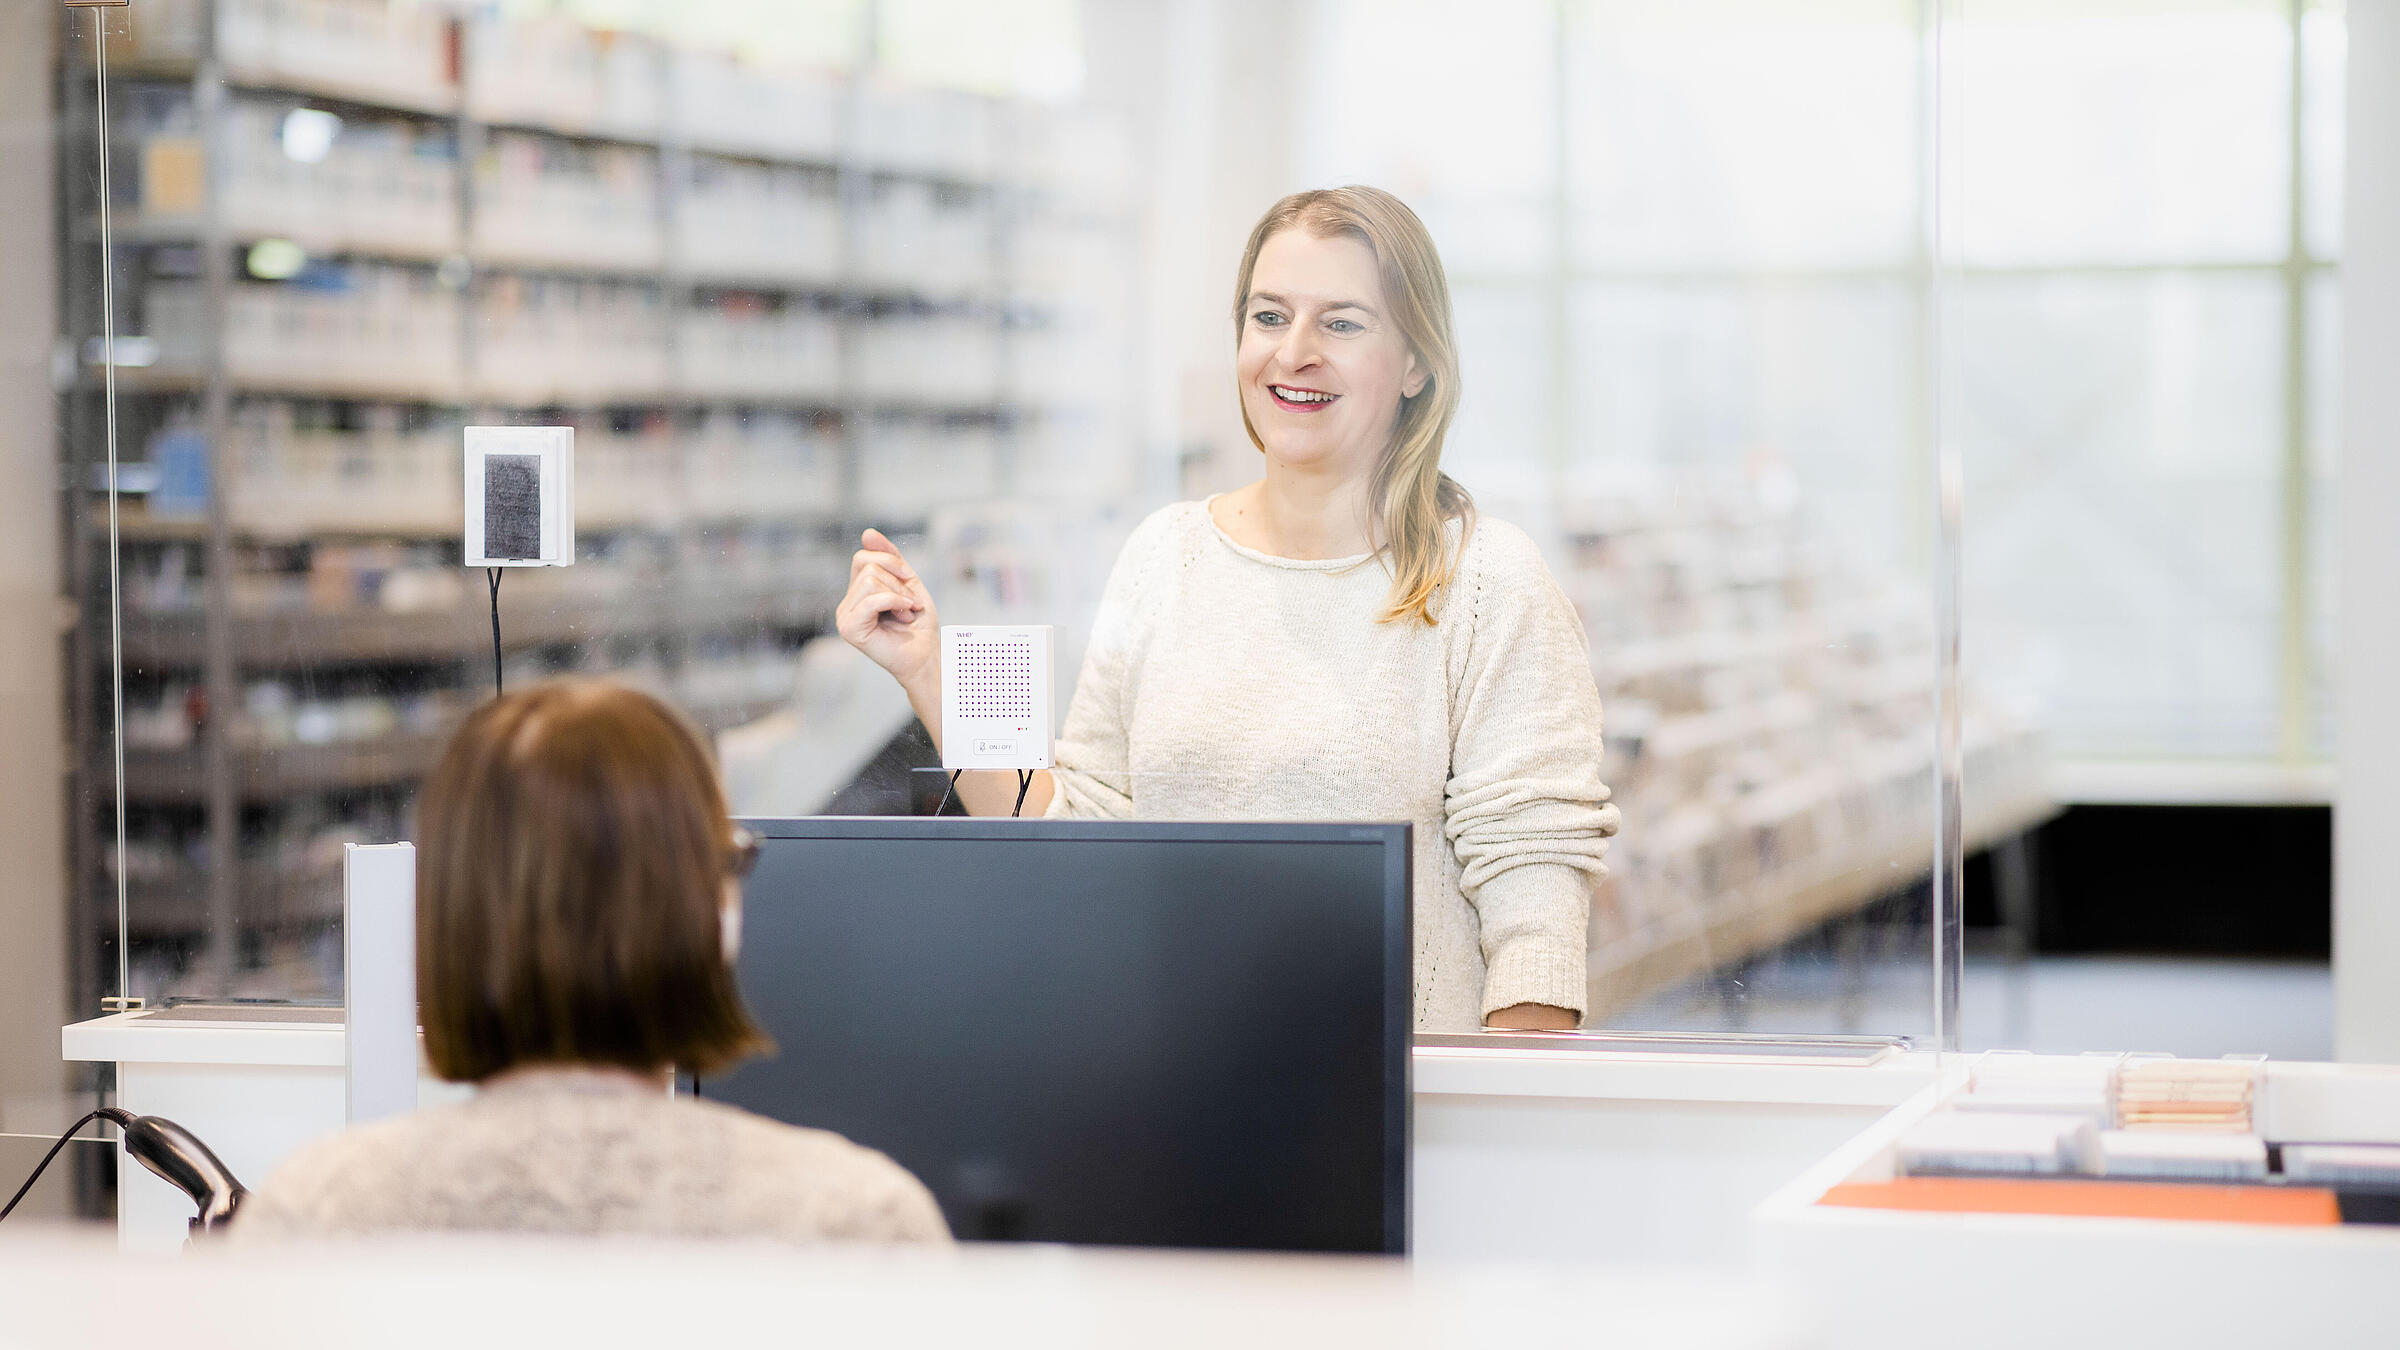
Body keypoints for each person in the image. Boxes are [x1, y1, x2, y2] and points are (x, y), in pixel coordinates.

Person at [836, 186, 1621, 1032]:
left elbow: (1534, 907)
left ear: (1417, 363)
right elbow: (1080, 832)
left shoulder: (1486, 579)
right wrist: (927, 669)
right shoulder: (1163, 554)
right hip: (1175, 1107)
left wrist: (1491, 1134)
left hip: (1408, 1122)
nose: (1295, 353)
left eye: (1343, 323)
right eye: (1270, 316)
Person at [235, 679, 951, 1246]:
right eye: (731, 861)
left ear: (448, 918)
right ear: (712, 916)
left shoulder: (317, 1212)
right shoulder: (854, 1222)